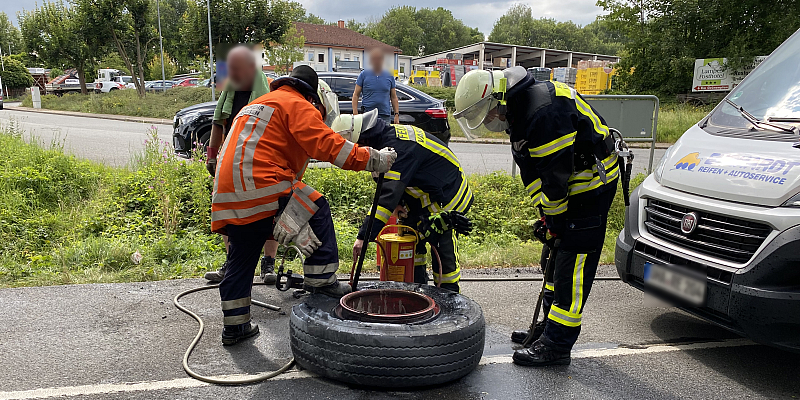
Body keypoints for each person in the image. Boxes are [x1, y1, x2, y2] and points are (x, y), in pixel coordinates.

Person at [212, 65, 396, 345]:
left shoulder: (257, 105)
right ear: (313, 98)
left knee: (242, 254)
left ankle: (235, 327)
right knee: (317, 205)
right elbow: (329, 145)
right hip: (262, 185)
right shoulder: (297, 104)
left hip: (227, 196)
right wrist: (373, 159)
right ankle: (320, 281)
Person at [453, 66, 619, 366]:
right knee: (553, 256)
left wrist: (556, 221)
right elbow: (532, 174)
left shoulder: (542, 113)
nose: (489, 121)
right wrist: (546, 216)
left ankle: (557, 346)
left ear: (497, 101)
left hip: (590, 183)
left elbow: (555, 181)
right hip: (568, 182)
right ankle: (547, 328)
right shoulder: (517, 113)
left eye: (488, 115)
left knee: (573, 262)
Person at [332, 110, 473, 293]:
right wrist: (400, 203)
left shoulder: (397, 148)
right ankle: (418, 290)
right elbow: (392, 185)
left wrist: (363, 237)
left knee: (439, 238)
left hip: (448, 195)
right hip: (423, 196)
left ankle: (449, 294)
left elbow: (385, 199)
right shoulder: (383, 144)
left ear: (361, 140)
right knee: (411, 238)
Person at [205, 46, 277, 284]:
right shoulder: (230, 91)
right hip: (231, 160)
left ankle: (268, 265)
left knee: (268, 212)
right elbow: (218, 124)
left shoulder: (267, 90)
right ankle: (231, 263)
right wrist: (212, 156)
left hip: (261, 162)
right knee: (227, 213)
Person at [352, 47, 400, 124]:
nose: (376, 61)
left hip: (384, 116)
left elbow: (394, 97)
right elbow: (356, 95)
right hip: (368, 115)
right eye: (374, 58)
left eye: (379, 58)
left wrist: (396, 114)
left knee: (384, 136)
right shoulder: (363, 75)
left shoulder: (389, 76)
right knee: (369, 136)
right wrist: (355, 113)